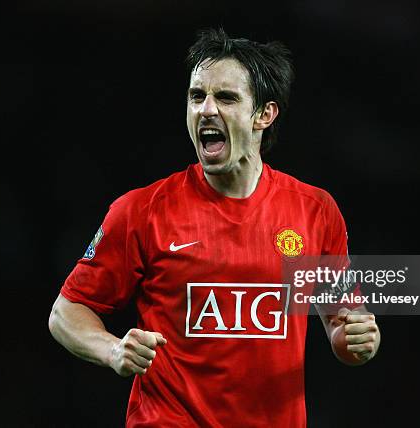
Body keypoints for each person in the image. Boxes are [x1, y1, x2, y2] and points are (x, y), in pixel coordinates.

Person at [48, 28, 380, 427]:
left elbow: (342, 321)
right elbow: (66, 312)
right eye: (196, 96)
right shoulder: (141, 210)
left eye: (225, 97)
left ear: (264, 114)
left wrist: (356, 341)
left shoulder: (315, 210)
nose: (206, 109)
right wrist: (112, 349)